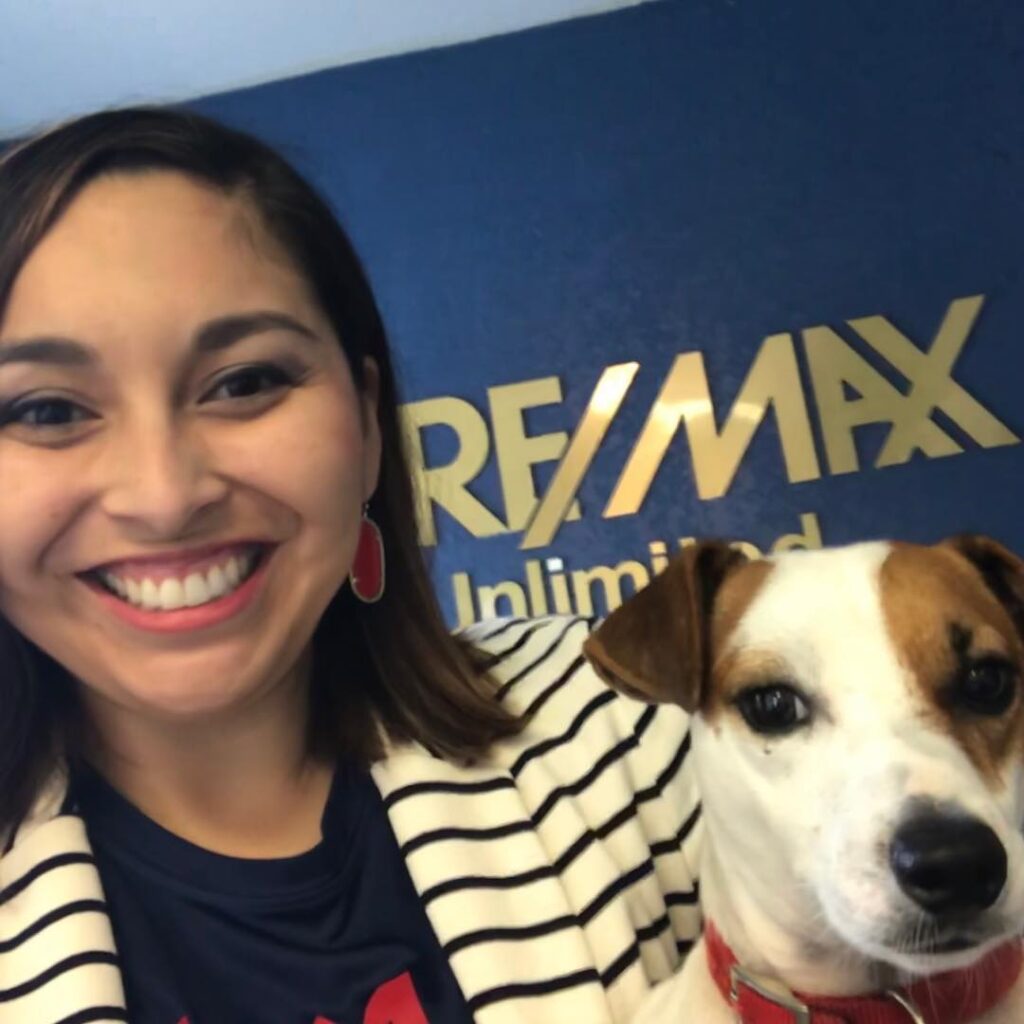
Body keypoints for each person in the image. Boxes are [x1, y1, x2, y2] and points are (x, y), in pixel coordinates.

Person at [0, 107, 701, 1024]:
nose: (164, 494)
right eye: (48, 410)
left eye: (244, 382)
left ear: (367, 423)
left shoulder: (629, 719)